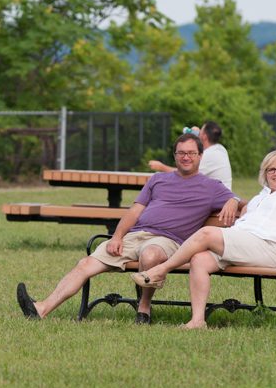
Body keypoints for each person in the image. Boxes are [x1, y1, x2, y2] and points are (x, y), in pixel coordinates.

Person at [17, 133, 240, 324]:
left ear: (200, 156)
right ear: (174, 156)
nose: (186, 157)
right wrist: (117, 236)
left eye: (191, 153)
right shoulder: (158, 179)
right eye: (181, 153)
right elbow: (134, 211)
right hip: (135, 235)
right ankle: (41, 309)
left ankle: (144, 308)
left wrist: (233, 200)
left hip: (169, 241)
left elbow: (244, 204)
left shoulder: (212, 187)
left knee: (150, 255)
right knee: (85, 264)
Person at [132, 149, 276, 329]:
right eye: (271, 169)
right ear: (265, 173)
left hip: (270, 248)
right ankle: (197, 321)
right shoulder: (262, 195)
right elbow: (246, 210)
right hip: (244, 243)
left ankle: (161, 270)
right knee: (199, 260)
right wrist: (234, 200)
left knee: (207, 233)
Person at [148, 121, 232, 189]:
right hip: (217, 195)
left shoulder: (209, 155)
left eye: (201, 131)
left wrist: (161, 167)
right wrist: (194, 135)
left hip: (218, 200)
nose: (199, 132)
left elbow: (184, 172)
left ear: (204, 137)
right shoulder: (220, 149)